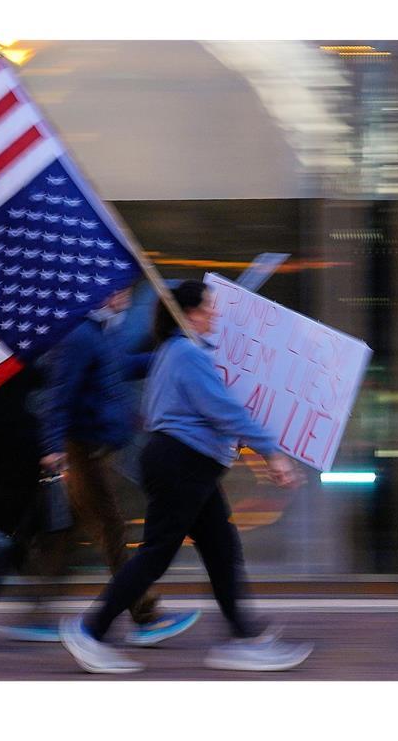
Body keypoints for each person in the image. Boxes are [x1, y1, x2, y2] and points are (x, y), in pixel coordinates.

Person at [59, 279, 313, 673]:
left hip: (184, 463)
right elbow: (224, 409)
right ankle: (90, 630)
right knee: (158, 554)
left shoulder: (178, 351)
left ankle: (242, 638)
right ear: (191, 313)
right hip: (183, 463)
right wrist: (271, 453)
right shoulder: (186, 354)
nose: (215, 312)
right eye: (209, 306)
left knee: (221, 549)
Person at [0, 285, 200, 646]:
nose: (126, 295)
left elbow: (123, 367)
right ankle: (145, 615)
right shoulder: (79, 335)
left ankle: (35, 614)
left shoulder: (103, 333)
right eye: (120, 289)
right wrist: (51, 447)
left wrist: (169, 354)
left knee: (64, 537)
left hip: (99, 452)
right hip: (83, 453)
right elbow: (58, 396)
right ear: (100, 292)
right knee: (112, 533)